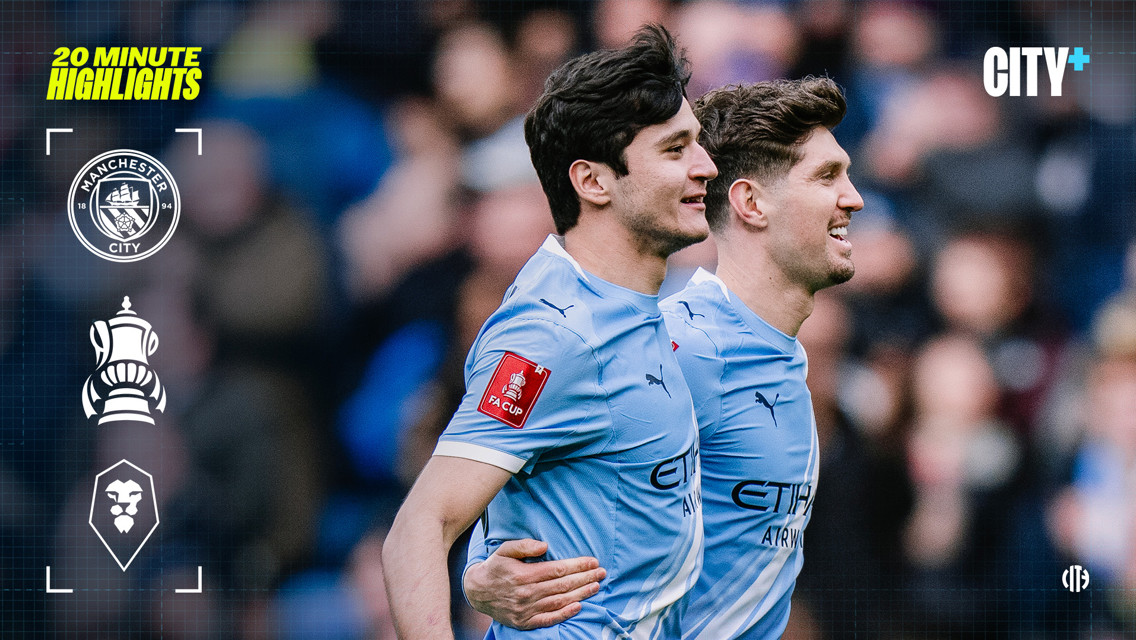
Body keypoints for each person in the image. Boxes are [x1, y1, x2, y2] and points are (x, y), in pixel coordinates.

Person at [463, 77, 863, 639]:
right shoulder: (684, 347)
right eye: (827, 177)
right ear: (750, 202)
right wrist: (482, 568)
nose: (854, 197)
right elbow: (519, 456)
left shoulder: (784, 353)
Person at [381, 25, 718, 640]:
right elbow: (419, 529)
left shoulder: (642, 305)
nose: (706, 166)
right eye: (675, 150)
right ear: (593, 182)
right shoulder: (552, 335)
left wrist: (484, 563)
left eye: (697, 143)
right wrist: (471, 577)